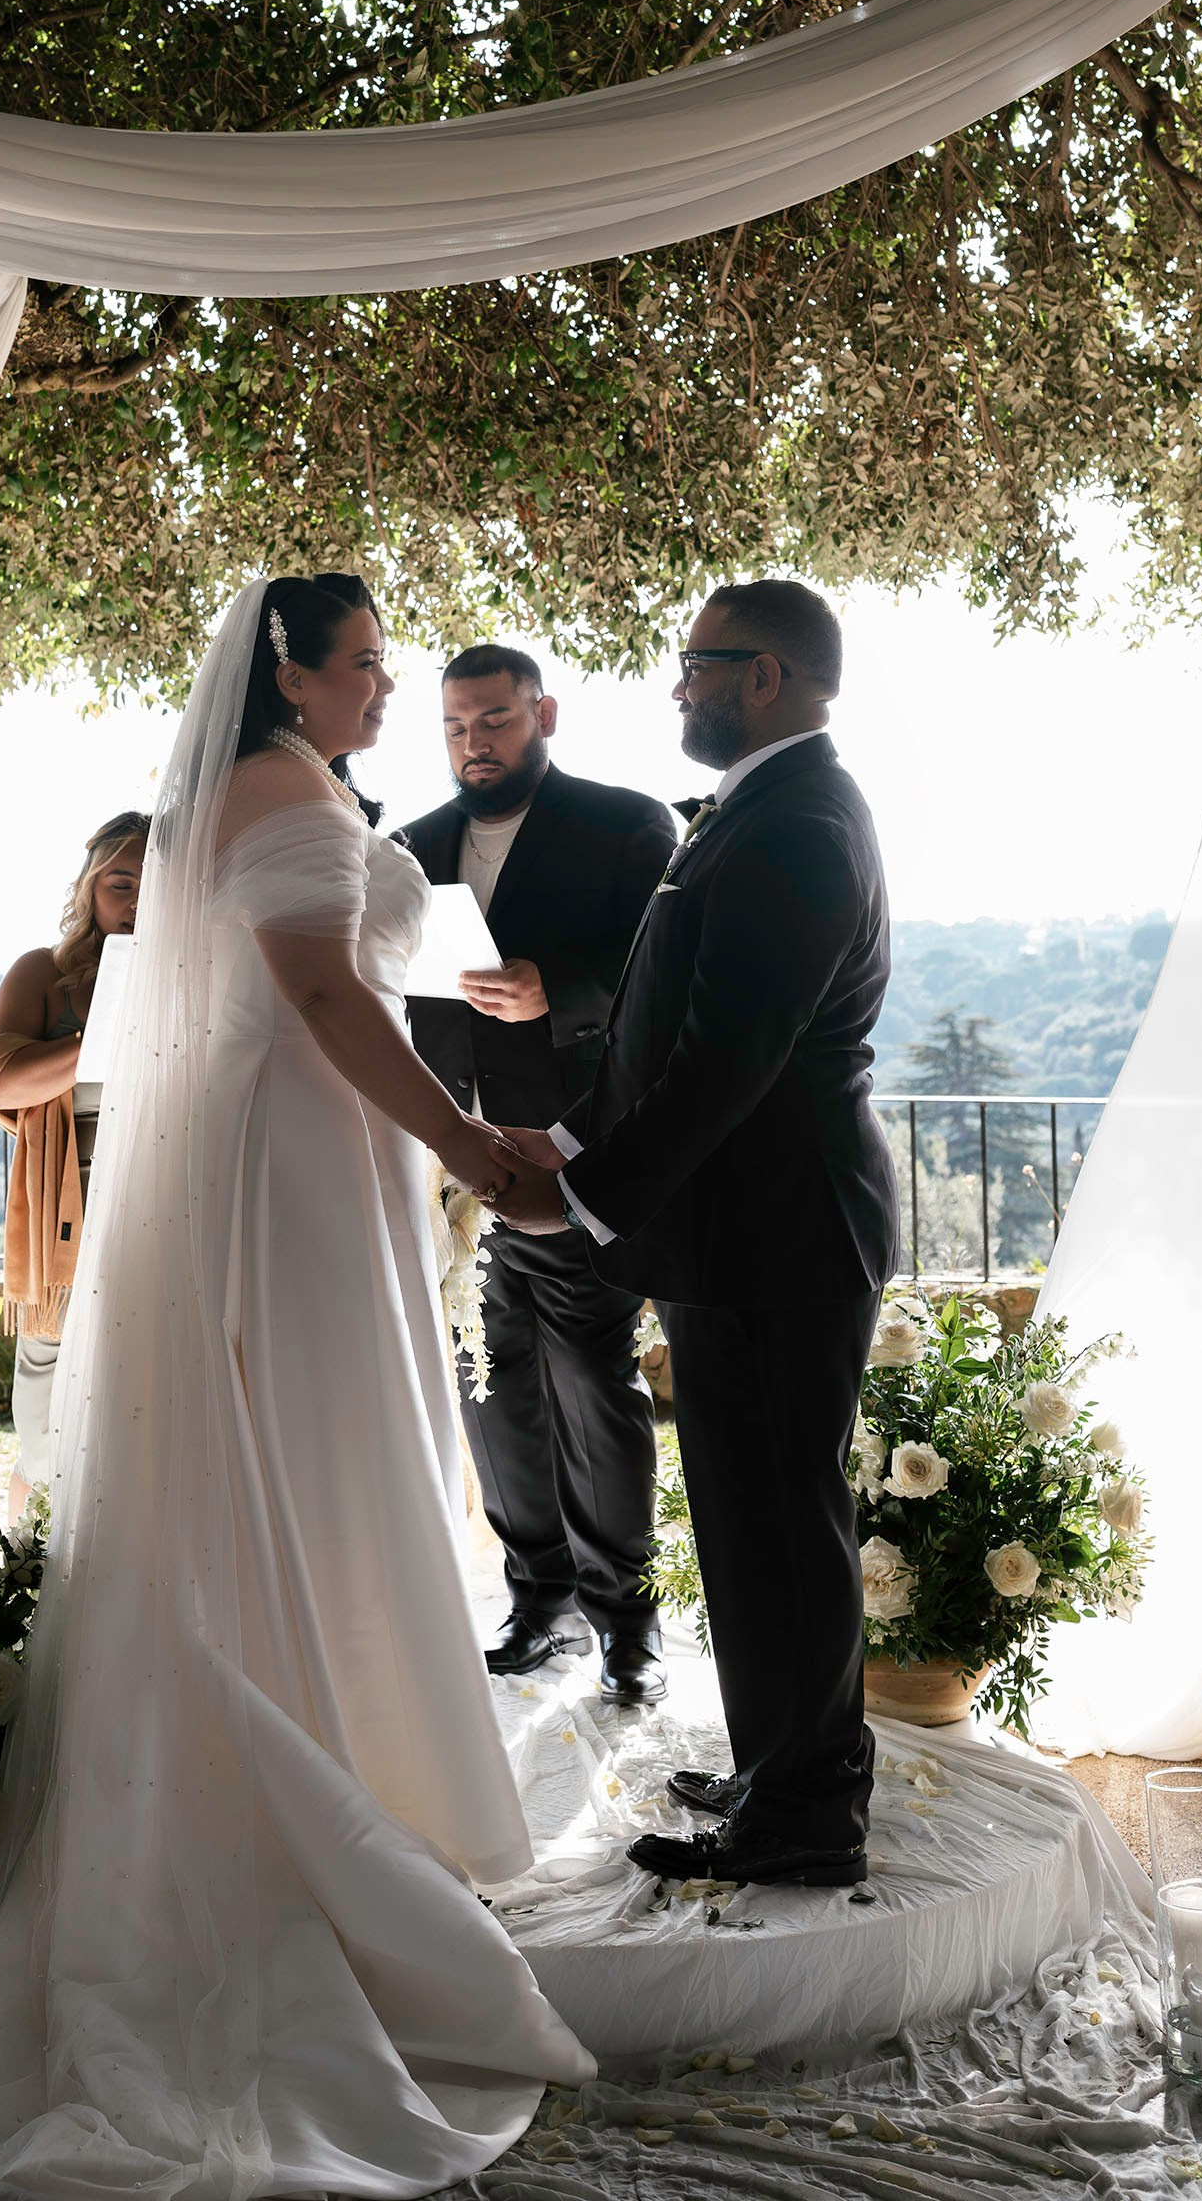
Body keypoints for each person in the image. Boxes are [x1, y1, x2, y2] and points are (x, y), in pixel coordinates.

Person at [0, 576, 589, 2197]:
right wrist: (463, 1141)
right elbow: (313, 995)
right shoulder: (280, 790)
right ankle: (301, 1812)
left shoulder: (283, 790)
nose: (386, 688)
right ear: (288, 671)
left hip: (293, 1156)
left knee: (303, 1472)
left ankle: (342, 1763)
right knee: (299, 1461)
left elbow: (333, 985)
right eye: (364, 665)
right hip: (286, 1173)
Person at [494, 581, 898, 1890]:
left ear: (766, 677)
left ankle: (807, 1817)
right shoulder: (766, 809)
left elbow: (729, 1059)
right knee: (745, 1519)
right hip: (741, 1229)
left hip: (782, 1228)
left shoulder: (802, 823)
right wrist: (564, 1146)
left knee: (782, 1521)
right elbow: (657, 1035)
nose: (677, 687)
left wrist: (588, 1193)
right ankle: (784, 1761)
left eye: (696, 666)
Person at [401, 644, 676, 1704]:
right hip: (451, 1164)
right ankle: (535, 1599)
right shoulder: (410, 846)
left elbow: (656, 976)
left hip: (575, 1158)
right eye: (456, 729)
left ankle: (625, 1617)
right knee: (489, 1381)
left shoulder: (626, 824)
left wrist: (552, 994)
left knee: (592, 1387)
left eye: (495, 722)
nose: (475, 744)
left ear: (543, 712)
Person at [0, 811, 150, 1519]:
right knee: (47, 1387)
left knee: (141, 1380)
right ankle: (35, 1550)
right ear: (89, 889)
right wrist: (103, 1037)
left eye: (156, 882)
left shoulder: (203, 973)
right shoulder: (43, 974)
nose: (138, 898)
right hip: (67, 1205)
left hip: (161, 1194)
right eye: (121, 882)